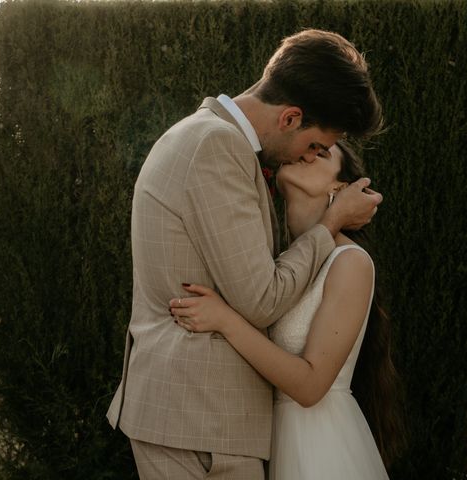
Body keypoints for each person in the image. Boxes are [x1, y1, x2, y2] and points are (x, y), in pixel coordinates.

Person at [106, 29, 383, 479]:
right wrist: (330, 225)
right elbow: (261, 300)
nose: (306, 158)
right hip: (199, 418)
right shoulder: (217, 145)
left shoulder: (201, 136)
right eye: (314, 146)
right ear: (291, 117)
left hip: (203, 420)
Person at [170, 141, 406, 480]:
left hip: (321, 450)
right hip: (271, 442)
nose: (305, 153)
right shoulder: (276, 266)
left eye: (320, 154)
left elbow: (311, 386)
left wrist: (225, 320)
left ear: (339, 189)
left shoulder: (350, 262)